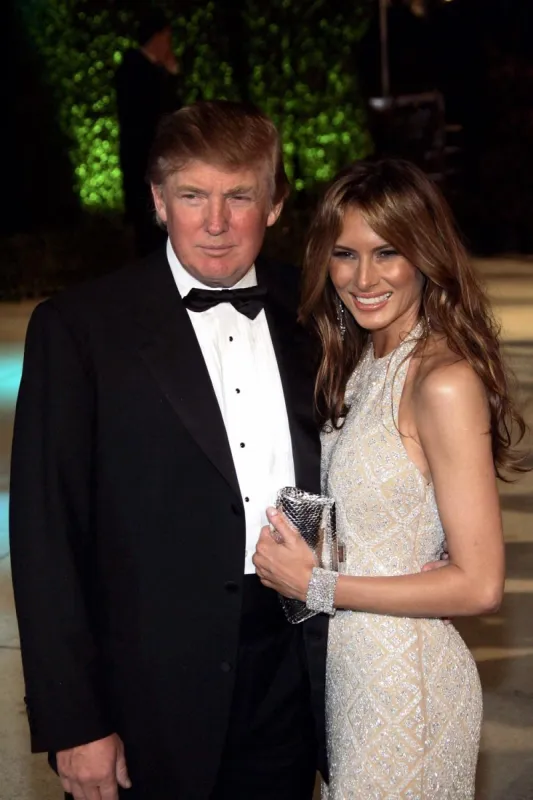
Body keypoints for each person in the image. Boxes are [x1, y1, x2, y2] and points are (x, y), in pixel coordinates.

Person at [9, 101, 328, 800]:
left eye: (239, 196)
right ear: (158, 201)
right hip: (143, 700)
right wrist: (75, 721)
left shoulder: (318, 314)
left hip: (291, 678)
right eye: (192, 195)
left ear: (273, 204)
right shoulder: (80, 328)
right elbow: (44, 539)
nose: (215, 222)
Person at [253, 158, 528, 798]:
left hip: (409, 688)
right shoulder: (364, 360)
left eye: (388, 253)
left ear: (425, 255)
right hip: (357, 676)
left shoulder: (443, 381)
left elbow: (482, 584)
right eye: (345, 254)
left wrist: (318, 583)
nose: (364, 278)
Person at [115, 9, 182, 257]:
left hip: (154, 162)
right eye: (167, 37)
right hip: (144, 164)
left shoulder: (146, 70)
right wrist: (169, 76)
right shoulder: (135, 70)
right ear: (158, 37)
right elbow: (158, 114)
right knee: (149, 227)